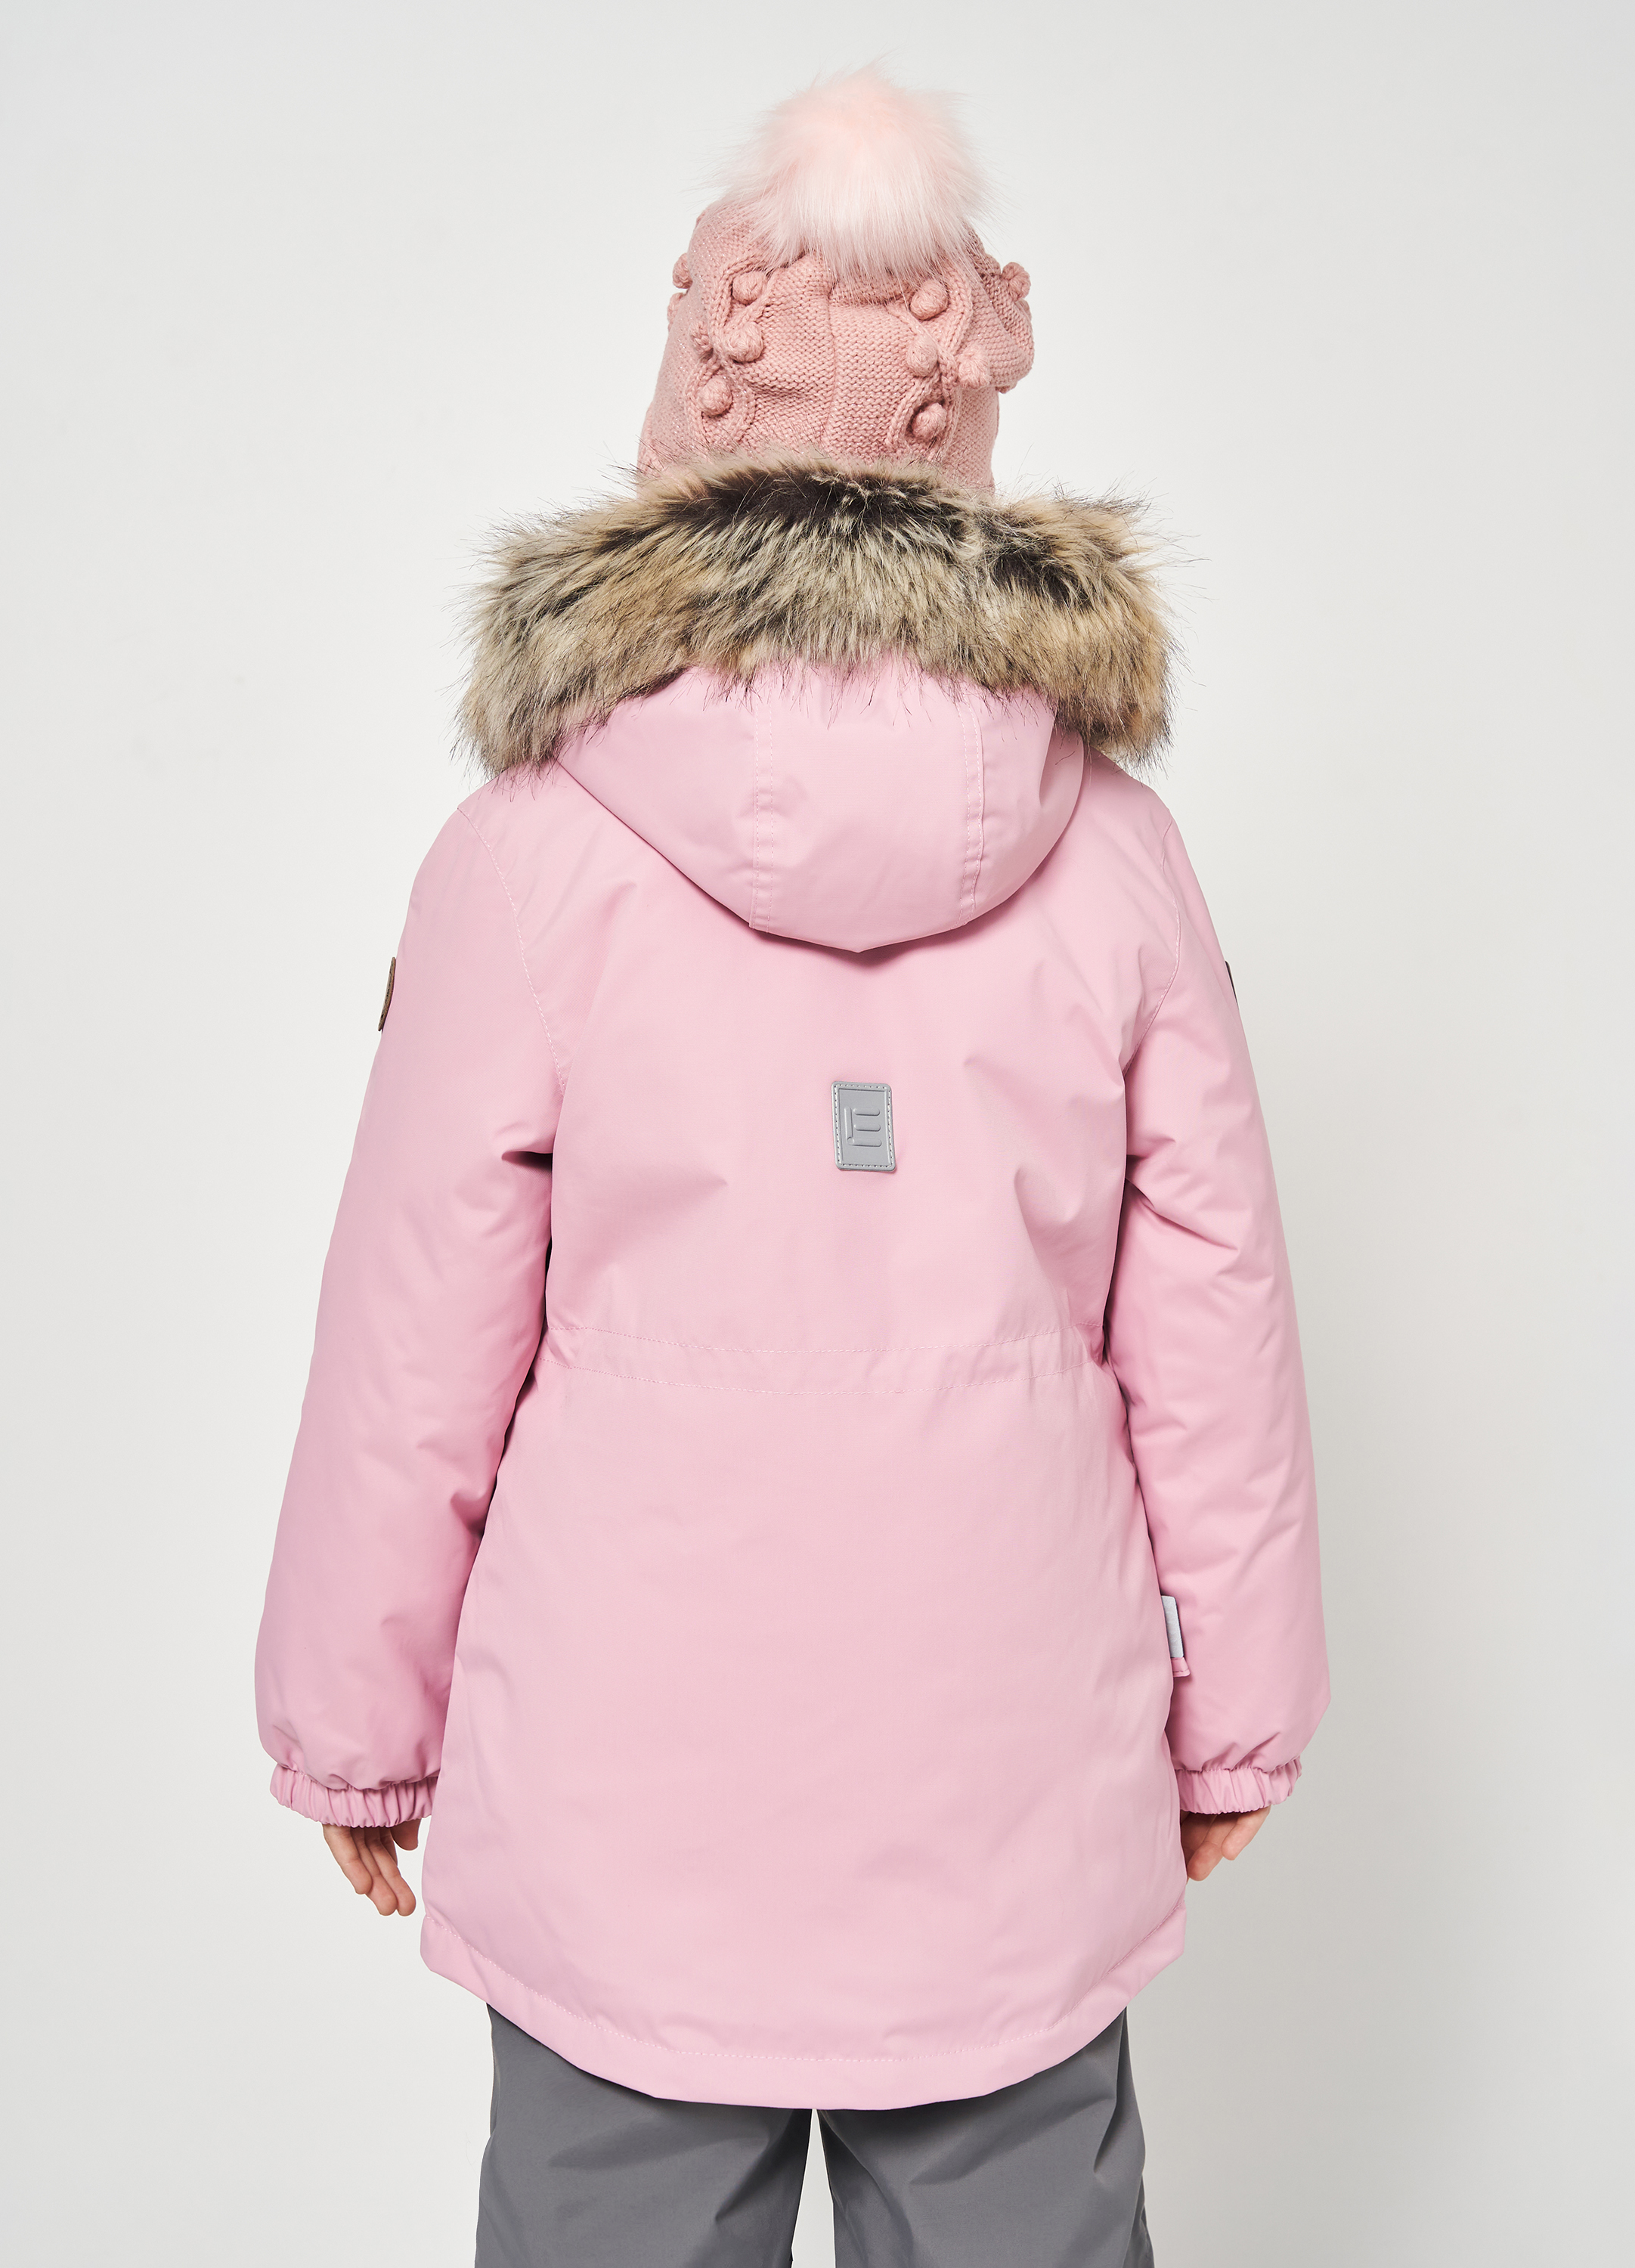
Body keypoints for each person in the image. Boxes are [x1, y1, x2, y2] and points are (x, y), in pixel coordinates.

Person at [255, 67, 1328, 2268]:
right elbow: (1207, 1308)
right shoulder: (1116, 858)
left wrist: (356, 1721)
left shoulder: (528, 853)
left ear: (691, 435)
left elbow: (414, 1318)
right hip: (1010, 1773)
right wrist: (1236, 1709)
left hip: (623, 1787)